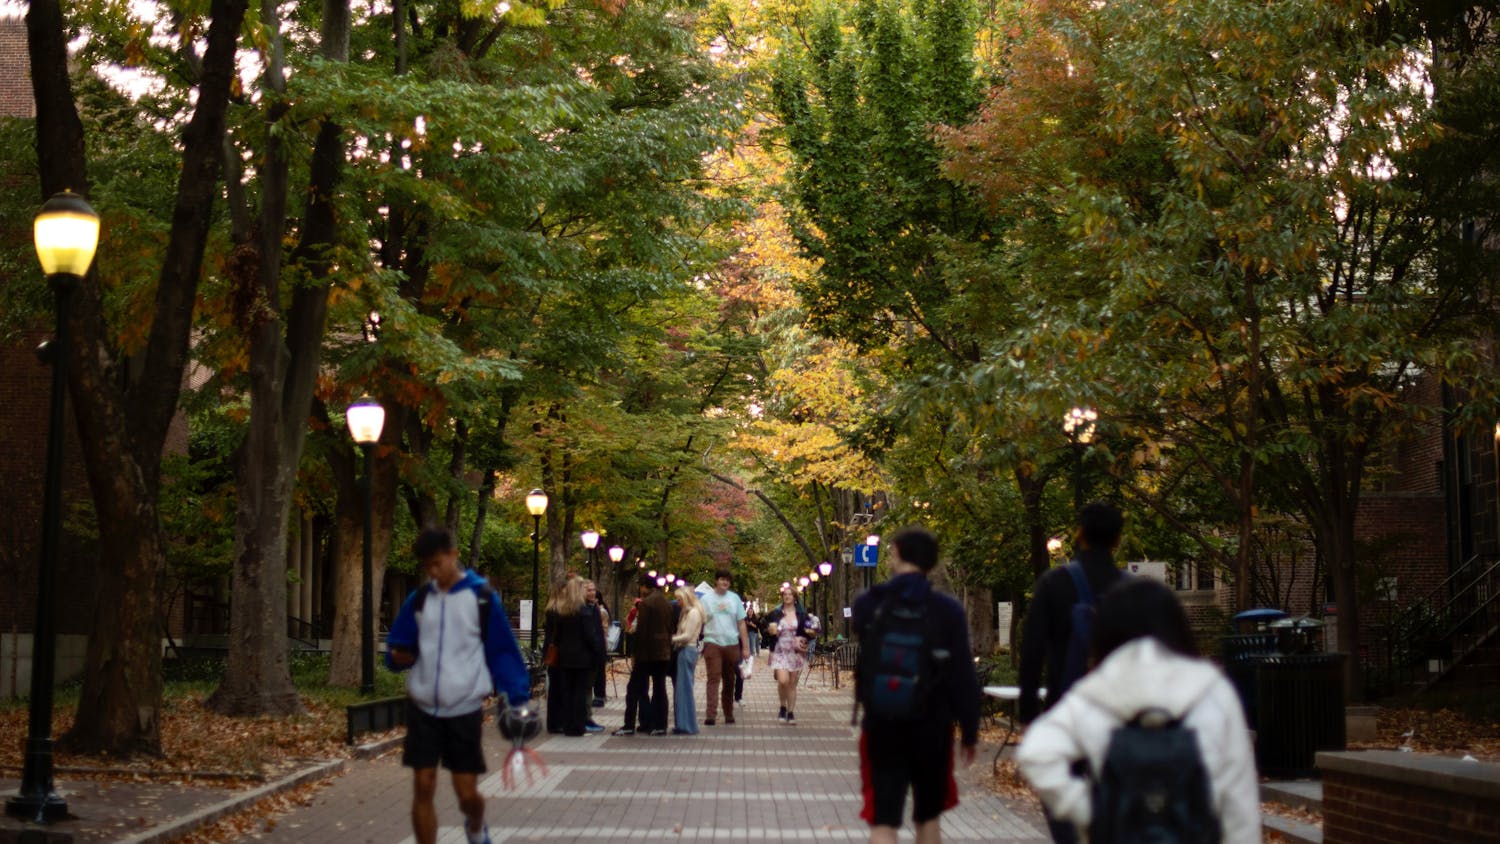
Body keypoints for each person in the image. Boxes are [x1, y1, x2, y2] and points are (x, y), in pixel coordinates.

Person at [1016, 578, 1261, 844]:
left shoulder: (1096, 693)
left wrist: (1091, 812)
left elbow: (1036, 752)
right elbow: (1239, 802)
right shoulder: (1213, 691)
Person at [385, 528, 530, 844]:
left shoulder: (481, 598)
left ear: (453, 555)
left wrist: (517, 697)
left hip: (464, 707)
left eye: (438, 563)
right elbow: (399, 644)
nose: (433, 572)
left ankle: (476, 827)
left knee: (466, 794)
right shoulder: (420, 600)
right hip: (423, 707)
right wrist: (397, 656)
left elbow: (503, 651)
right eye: (428, 567)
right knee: (423, 785)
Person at [852, 526, 980, 844]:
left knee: (883, 820)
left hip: (881, 723)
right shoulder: (948, 610)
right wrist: (970, 730)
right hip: (932, 725)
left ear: (894, 552)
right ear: (933, 563)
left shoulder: (869, 604)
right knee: (928, 817)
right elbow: (963, 673)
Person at [1019, 501, 1128, 724]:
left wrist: (1028, 714)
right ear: (1117, 539)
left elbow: (1032, 651)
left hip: (1065, 712)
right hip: (1118, 716)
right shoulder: (1135, 590)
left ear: (1080, 533)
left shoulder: (1054, 583)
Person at [543, 575, 603, 737]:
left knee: (568, 692)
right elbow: (590, 636)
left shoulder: (563, 612)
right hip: (581, 658)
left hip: (565, 658)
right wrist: (597, 651)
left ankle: (568, 724)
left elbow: (557, 637)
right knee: (579, 692)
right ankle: (577, 726)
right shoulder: (583, 612)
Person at [614, 574, 672, 736]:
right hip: (663, 652)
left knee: (633, 689)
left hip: (647, 654)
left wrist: (635, 654)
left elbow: (642, 631)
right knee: (660, 689)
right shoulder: (666, 603)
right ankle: (659, 725)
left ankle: (629, 725)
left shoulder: (646, 604)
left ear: (645, 586)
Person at [700, 569, 749, 725]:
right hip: (712, 641)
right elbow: (699, 619)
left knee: (729, 680)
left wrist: (746, 647)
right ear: (716, 581)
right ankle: (711, 714)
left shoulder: (734, 599)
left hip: (731, 644)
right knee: (713, 677)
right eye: (722, 579)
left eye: (727, 580)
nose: (725, 582)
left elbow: (741, 623)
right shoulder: (706, 599)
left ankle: (728, 713)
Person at [764, 584, 813, 724]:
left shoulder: (802, 615)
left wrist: (808, 637)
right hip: (779, 651)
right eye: (785, 594)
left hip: (795, 652)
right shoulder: (776, 613)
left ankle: (790, 712)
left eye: (790, 594)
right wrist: (770, 631)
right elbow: (766, 628)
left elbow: (810, 632)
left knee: (792, 683)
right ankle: (782, 706)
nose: (787, 596)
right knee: (783, 681)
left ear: (795, 598)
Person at [670, 584, 705, 734]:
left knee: (684, 689)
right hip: (685, 650)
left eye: (679, 599)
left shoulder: (693, 613)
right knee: (683, 689)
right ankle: (684, 723)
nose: (678, 602)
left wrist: (671, 639)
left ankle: (686, 725)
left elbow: (688, 636)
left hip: (687, 650)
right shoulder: (690, 612)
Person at [583, 580, 609, 712]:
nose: (592, 593)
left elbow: (600, 630)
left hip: (597, 650)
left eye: (593, 590)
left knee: (594, 678)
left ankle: (586, 716)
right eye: (589, 590)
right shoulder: (583, 609)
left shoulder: (596, 609)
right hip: (585, 653)